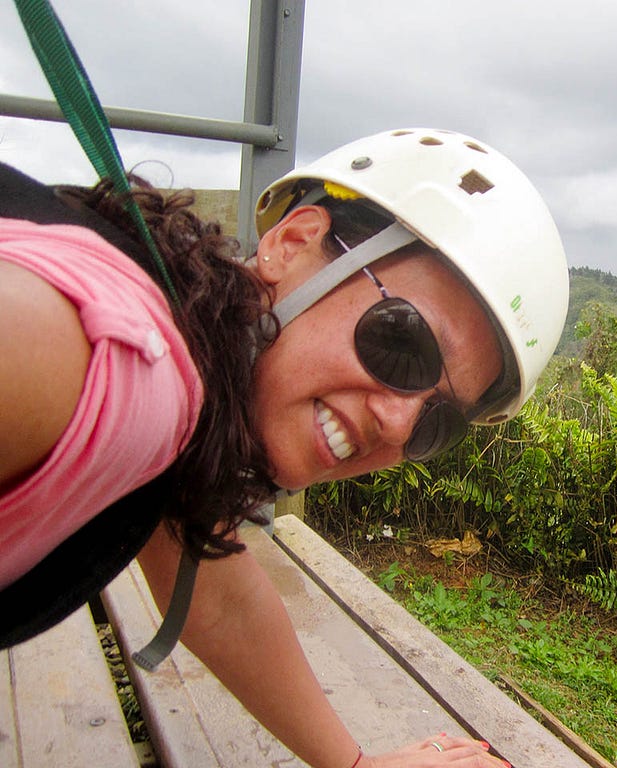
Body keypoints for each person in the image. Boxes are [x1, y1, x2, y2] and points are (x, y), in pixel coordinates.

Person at [0, 127, 570, 767]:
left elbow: (220, 598)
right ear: (293, 243)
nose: (397, 423)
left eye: (437, 420)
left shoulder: (187, 376)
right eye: (403, 342)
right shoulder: (129, 362)